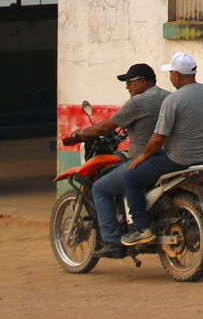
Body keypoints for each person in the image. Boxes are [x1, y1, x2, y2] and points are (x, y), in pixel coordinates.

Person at [115, 51, 203, 248]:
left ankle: (141, 229)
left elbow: (159, 137)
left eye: (171, 73)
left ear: (177, 75)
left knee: (130, 178)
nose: (170, 77)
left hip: (177, 159)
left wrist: (143, 156)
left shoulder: (173, 100)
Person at [64, 62, 168, 257]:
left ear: (143, 81)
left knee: (100, 188)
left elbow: (106, 127)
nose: (127, 87)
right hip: (167, 159)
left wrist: (83, 132)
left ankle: (112, 240)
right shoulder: (169, 97)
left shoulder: (137, 102)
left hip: (142, 161)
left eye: (130, 82)